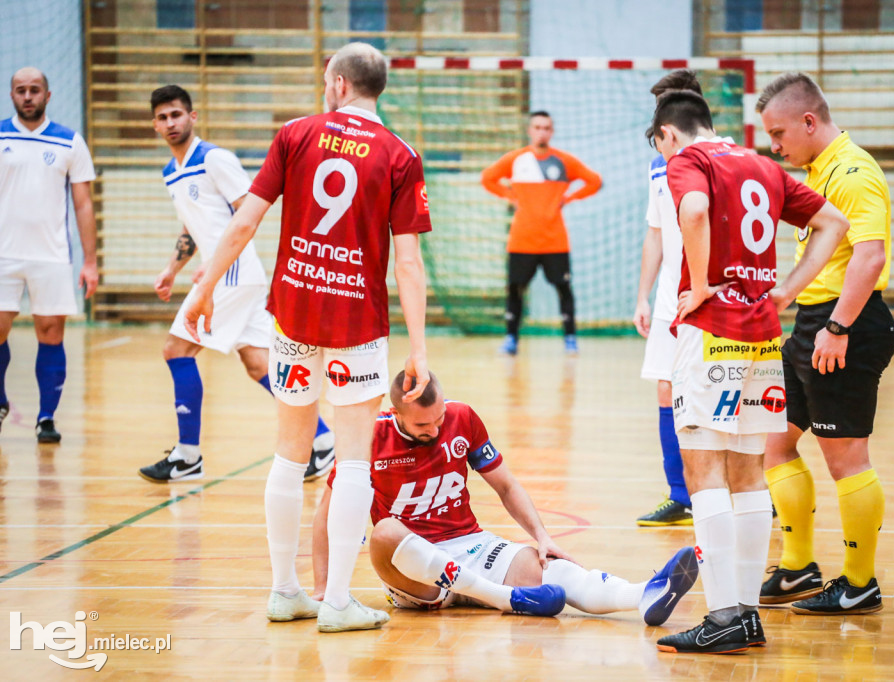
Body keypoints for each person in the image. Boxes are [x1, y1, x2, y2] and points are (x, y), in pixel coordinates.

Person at [183, 42, 431, 633]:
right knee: (352, 466)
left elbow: (245, 220)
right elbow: (409, 262)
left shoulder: (295, 134)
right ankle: (338, 602)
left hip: (293, 316)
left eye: (327, 78)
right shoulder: (400, 154)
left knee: (289, 456)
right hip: (357, 325)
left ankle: (284, 591)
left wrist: (203, 289)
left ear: (340, 83)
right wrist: (418, 349)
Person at [648, 89, 850, 654]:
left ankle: (721, 617)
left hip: (711, 332)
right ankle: (746, 616)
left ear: (670, 134)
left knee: (705, 473)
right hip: (762, 335)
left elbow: (690, 211)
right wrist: (787, 289)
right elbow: (835, 224)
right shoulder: (763, 164)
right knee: (747, 474)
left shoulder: (690, 161)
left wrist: (704, 280)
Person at [310, 371, 700, 623]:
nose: (434, 428)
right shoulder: (368, 437)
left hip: (470, 545)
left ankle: (642, 596)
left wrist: (543, 537)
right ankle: (503, 599)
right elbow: (325, 516)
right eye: (421, 424)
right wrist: (323, 589)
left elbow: (507, 486)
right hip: (415, 570)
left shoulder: (462, 418)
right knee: (385, 532)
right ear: (394, 412)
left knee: (547, 569)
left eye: (439, 418)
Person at [755, 73, 894, 615]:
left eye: (778, 133)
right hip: (812, 325)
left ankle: (860, 583)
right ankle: (798, 569)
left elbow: (870, 257)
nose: (775, 146)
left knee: (846, 460)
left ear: (809, 122)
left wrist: (837, 329)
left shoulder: (855, 171)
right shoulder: (819, 170)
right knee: (775, 445)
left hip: (848, 327)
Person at [140, 84, 334, 483]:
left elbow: (246, 216)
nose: (170, 122)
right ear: (155, 126)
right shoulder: (171, 171)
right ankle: (324, 441)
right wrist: (173, 268)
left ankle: (188, 457)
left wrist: (214, 273)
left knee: (176, 349)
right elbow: (196, 226)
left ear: (192, 117)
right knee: (259, 363)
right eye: (162, 117)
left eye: (176, 114)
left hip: (231, 274)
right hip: (231, 274)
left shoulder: (214, 160)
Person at [0, 67, 98, 443]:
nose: (28, 96)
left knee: (51, 333)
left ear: (48, 95)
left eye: (35, 90)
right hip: (4, 256)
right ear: (12, 96)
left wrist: (90, 261)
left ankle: (46, 417)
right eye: (21, 90)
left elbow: (84, 204)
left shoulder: (69, 142)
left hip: (51, 256)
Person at [633, 70, 703, 527]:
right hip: (668, 300)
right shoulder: (660, 162)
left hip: (710, 296)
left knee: (726, 391)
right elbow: (656, 235)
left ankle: (756, 489)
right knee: (666, 387)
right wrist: (643, 295)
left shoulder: (719, 154)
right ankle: (680, 494)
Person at [481, 111, 602, 356]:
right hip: (522, 240)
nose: (542, 131)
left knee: (564, 289)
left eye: (546, 127)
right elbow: (488, 178)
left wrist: (569, 198)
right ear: (530, 130)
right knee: (515, 289)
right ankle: (511, 339)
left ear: (552, 131)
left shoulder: (564, 161)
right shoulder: (516, 160)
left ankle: (570, 338)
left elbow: (594, 181)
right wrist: (509, 196)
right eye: (537, 127)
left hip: (555, 241)